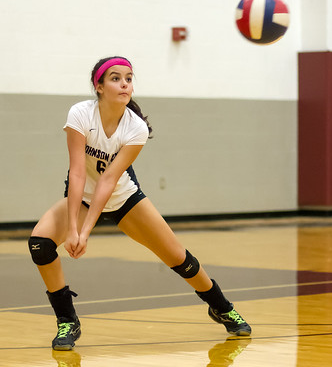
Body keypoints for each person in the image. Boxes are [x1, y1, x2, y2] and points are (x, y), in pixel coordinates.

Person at [28, 56, 251, 351]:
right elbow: (78, 172)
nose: (124, 84)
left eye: (129, 78)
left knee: (179, 258)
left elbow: (108, 181)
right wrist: (73, 228)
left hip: (124, 199)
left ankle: (221, 306)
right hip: (80, 198)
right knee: (40, 244)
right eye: (116, 78)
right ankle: (67, 321)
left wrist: (86, 231)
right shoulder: (80, 114)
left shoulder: (136, 128)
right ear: (99, 86)